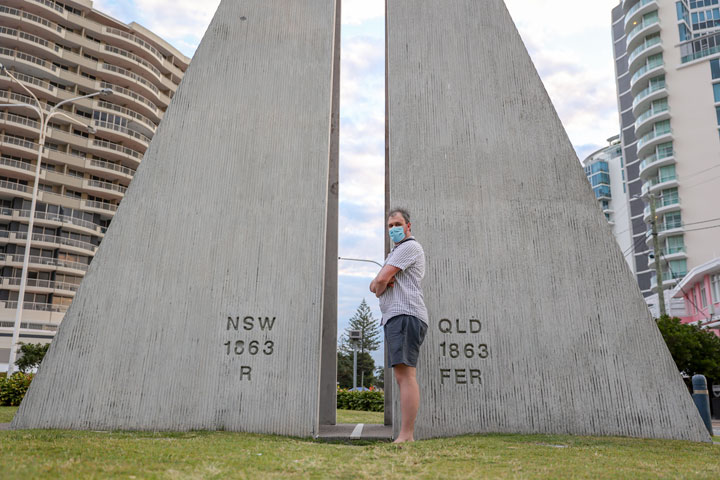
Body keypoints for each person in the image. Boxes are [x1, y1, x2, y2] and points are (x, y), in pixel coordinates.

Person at [370, 208, 428, 443]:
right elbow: (374, 287)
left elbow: (380, 281)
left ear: (408, 226)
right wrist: (380, 283)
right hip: (398, 316)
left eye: (397, 224)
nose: (393, 229)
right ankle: (406, 435)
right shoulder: (395, 252)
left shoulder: (408, 247)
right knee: (402, 375)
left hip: (405, 314)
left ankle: (406, 435)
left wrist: (381, 281)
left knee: (406, 376)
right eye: (389, 225)